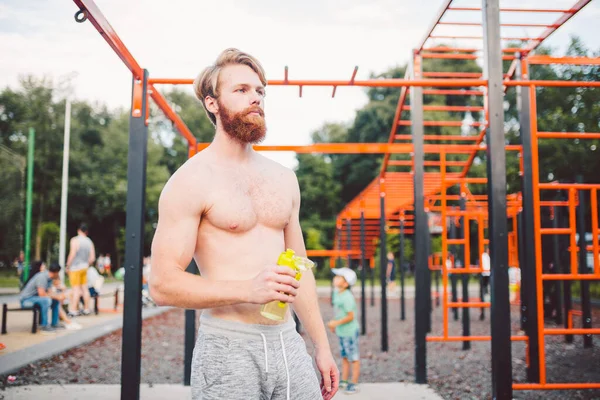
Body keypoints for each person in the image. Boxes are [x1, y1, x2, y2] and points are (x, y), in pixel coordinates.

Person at [150, 48, 338, 400]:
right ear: (211, 103)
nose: (255, 97)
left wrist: (322, 346)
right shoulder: (190, 180)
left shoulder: (284, 178)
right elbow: (162, 285)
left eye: (260, 90)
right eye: (241, 90)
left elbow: (301, 270)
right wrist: (247, 289)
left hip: (287, 343)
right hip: (227, 346)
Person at [327, 267, 361, 395]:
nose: (335, 278)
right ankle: (345, 380)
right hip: (342, 331)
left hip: (350, 332)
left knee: (354, 357)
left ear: (346, 284)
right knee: (345, 356)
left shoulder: (347, 297)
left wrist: (335, 323)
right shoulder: (337, 293)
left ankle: (354, 383)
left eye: (339, 277)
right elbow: (339, 312)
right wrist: (334, 324)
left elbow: (351, 316)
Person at [19, 261, 62, 334]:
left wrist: (57, 297)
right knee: (46, 300)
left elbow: (49, 292)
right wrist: (55, 296)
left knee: (55, 301)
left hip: (35, 299)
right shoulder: (42, 277)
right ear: (56, 272)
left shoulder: (49, 278)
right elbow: (42, 294)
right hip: (26, 300)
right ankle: (44, 326)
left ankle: (54, 323)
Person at [66, 223, 95, 317]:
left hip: (75, 267)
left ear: (78, 230)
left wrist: (68, 265)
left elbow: (73, 253)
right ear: (86, 231)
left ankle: (73, 310)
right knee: (85, 289)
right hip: (85, 267)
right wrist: (86, 263)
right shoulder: (89, 241)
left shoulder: (75, 240)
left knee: (76, 289)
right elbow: (92, 258)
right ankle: (86, 308)